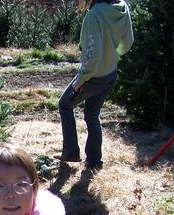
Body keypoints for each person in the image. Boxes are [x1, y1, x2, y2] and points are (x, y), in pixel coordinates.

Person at [57, 0, 133, 170]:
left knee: (65, 105)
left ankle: (70, 152)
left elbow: (93, 54)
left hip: (93, 76)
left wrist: (80, 80)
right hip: (110, 73)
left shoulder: (94, 15)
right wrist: (113, 54)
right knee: (92, 115)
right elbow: (127, 43)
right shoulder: (122, 7)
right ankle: (94, 160)